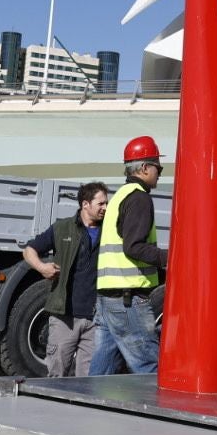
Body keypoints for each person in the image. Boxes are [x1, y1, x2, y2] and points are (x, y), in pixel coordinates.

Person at [89, 136, 169, 376]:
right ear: (144, 168)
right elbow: (133, 247)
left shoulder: (120, 196)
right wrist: (171, 258)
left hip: (108, 297)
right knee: (149, 366)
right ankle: (156, 413)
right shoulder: (139, 198)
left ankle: (88, 410)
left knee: (102, 369)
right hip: (128, 299)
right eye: (158, 167)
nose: (160, 173)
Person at [20, 181, 108, 377]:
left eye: (106, 204)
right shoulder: (63, 228)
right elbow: (29, 250)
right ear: (85, 204)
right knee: (57, 376)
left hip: (95, 317)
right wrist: (42, 267)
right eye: (101, 203)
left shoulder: (110, 231)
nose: (105, 208)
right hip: (65, 315)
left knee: (88, 382)